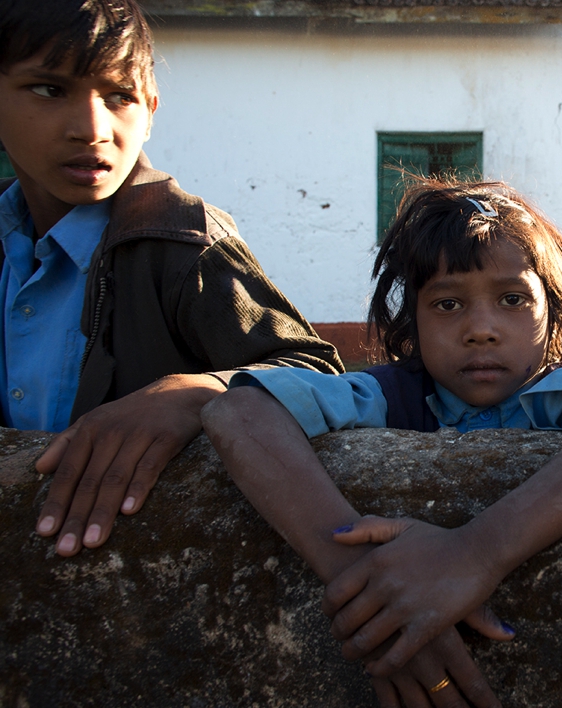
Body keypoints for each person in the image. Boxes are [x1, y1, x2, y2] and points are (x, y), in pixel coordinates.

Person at [202, 177, 562, 707]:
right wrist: (374, 590)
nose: (481, 329)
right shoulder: (391, 395)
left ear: (552, 309)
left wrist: (473, 554)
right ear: (411, 317)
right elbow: (240, 411)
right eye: (446, 304)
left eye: (512, 299)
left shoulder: (558, 393)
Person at [0, 0, 343, 557]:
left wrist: (195, 393)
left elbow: (320, 373)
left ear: (151, 109)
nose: (92, 129)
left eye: (119, 97)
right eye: (47, 89)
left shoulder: (183, 243)